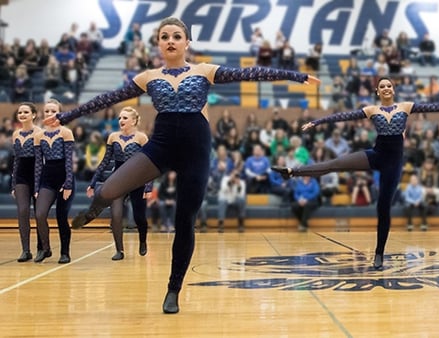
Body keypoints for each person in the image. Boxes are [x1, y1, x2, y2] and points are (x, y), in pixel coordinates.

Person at [43, 17, 319, 314]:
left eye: (177, 36)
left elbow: (252, 72)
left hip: (195, 151)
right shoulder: (148, 77)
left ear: (187, 42)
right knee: (109, 187)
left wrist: (296, 76)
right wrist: (66, 116)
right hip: (160, 146)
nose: (171, 41)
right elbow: (107, 99)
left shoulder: (204, 71)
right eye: (165, 36)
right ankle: (98, 206)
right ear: (159, 43)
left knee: (184, 220)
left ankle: (173, 289)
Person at [271, 76, 439, 270]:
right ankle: (292, 171)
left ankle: (379, 254)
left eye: (389, 85)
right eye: (382, 87)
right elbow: (343, 116)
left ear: (393, 90)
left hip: (393, 163)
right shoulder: (372, 110)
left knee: (383, 207)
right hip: (375, 155)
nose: (386, 88)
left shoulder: (406, 107)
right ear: (378, 92)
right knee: (336, 163)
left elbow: (436, 107)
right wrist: (317, 122)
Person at [87, 106, 152, 260]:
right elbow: (105, 161)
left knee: (139, 217)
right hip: (118, 179)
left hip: (137, 180)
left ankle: (142, 240)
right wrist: (93, 182)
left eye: (125, 118)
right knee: (116, 215)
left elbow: (150, 163)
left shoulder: (141, 138)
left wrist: (148, 186)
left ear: (134, 121)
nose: (121, 120)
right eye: (120, 118)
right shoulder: (113, 136)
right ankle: (119, 250)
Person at [34, 99, 74, 264]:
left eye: (53, 111)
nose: (49, 114)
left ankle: (65, 252)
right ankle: (46, 248)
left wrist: (68, 183)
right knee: (40, 214)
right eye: (47, 111)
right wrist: (36, 187)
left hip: (64, 176)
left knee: (61, 216)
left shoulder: (65, 132)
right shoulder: (38, 135)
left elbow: (69, 161)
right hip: (47, 177)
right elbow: (38, 163)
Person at [11, 102, 41, 262]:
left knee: (39, 214)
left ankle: (41, 248)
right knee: (23, 211)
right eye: (20, 112)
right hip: (21, 177)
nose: (22, 115)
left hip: (37, 175)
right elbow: (16, 160)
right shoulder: (16, 134)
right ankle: (25, 250)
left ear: (34, 115)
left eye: (26, 112)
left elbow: (41, 160)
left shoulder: (40, 133)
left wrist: (38, 184)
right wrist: (13, 183)